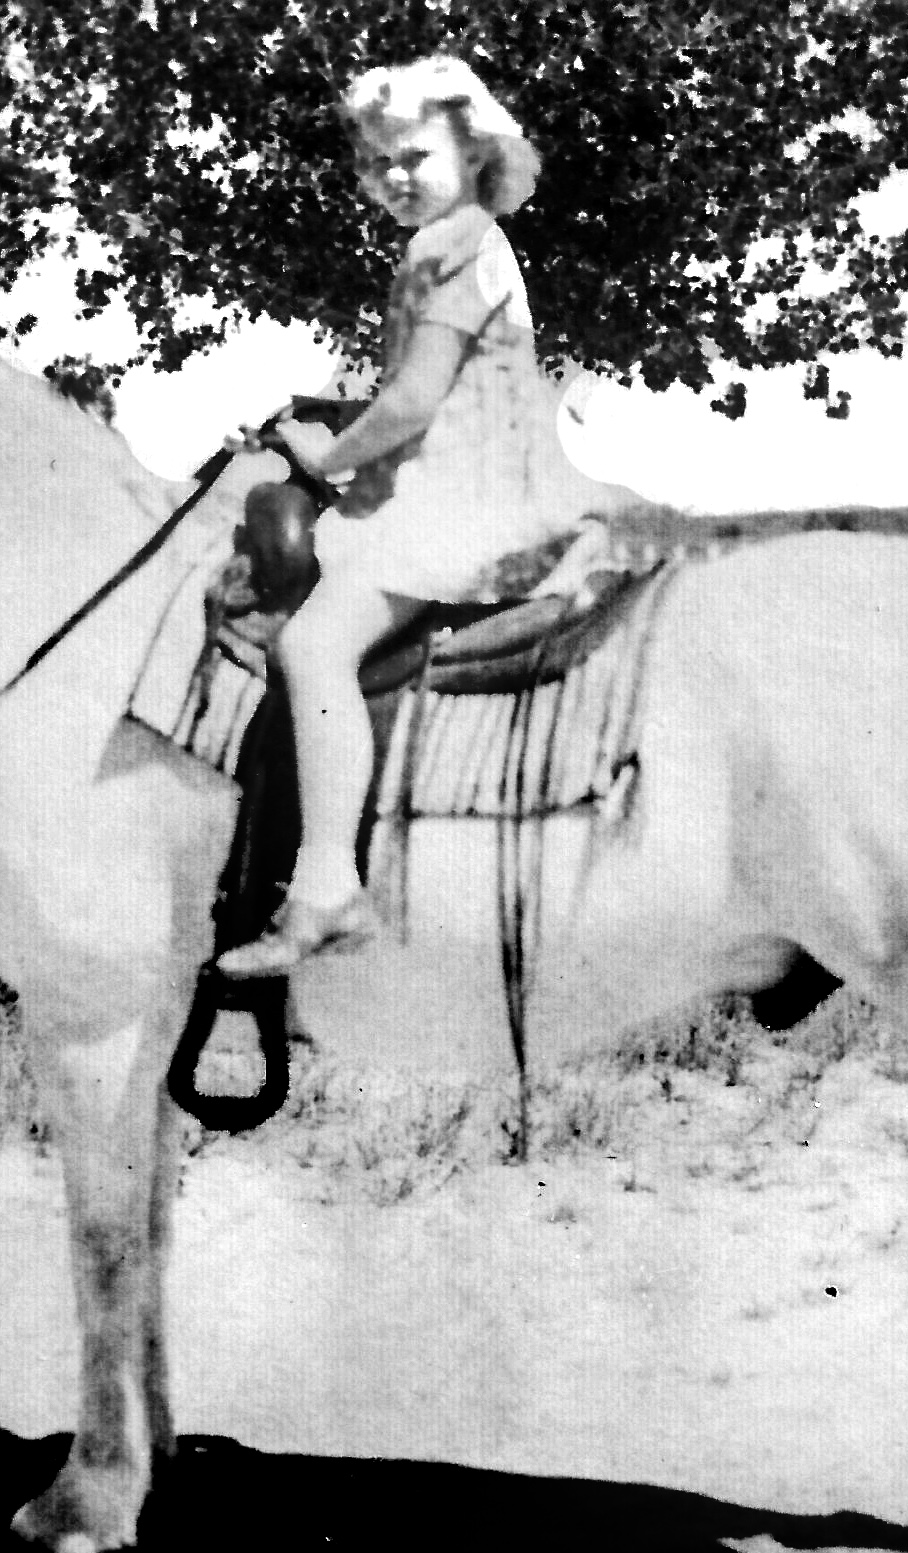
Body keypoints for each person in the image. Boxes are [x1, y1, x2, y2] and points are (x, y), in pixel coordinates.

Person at [215, 54, 616, 978]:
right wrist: (319, 423)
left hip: (460, 508)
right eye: (378, 161)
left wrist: (321, 458)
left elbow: (411, 403)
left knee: (312, 646)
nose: (394, 175)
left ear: (473, 155)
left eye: (415, 156)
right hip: (449, 487)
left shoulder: (453, 250)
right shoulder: (458, 242)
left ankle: (326, 886)